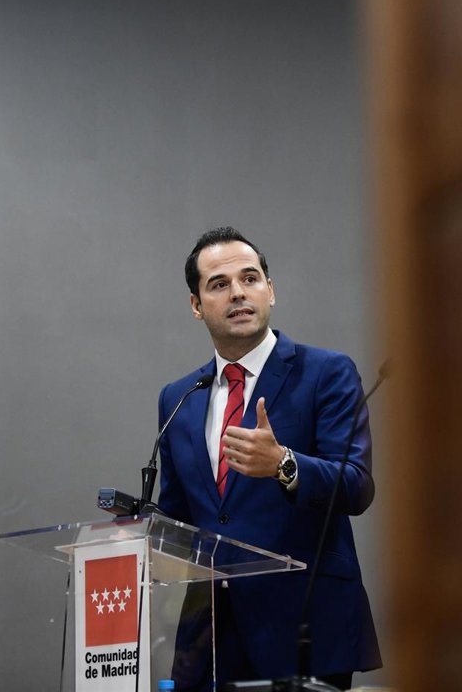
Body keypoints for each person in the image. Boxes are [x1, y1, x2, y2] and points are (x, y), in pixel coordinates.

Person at [157, 226, 381, 690]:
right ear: (196, 305)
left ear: (270, 290)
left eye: (250, 278)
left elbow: (356, 485)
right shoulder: (179, 397)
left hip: (303, 627)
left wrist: (284, 464)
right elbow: (181, 519)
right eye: (219, 284)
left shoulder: (326, 373)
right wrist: (136, 535)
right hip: (210, 641)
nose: (238, 293)